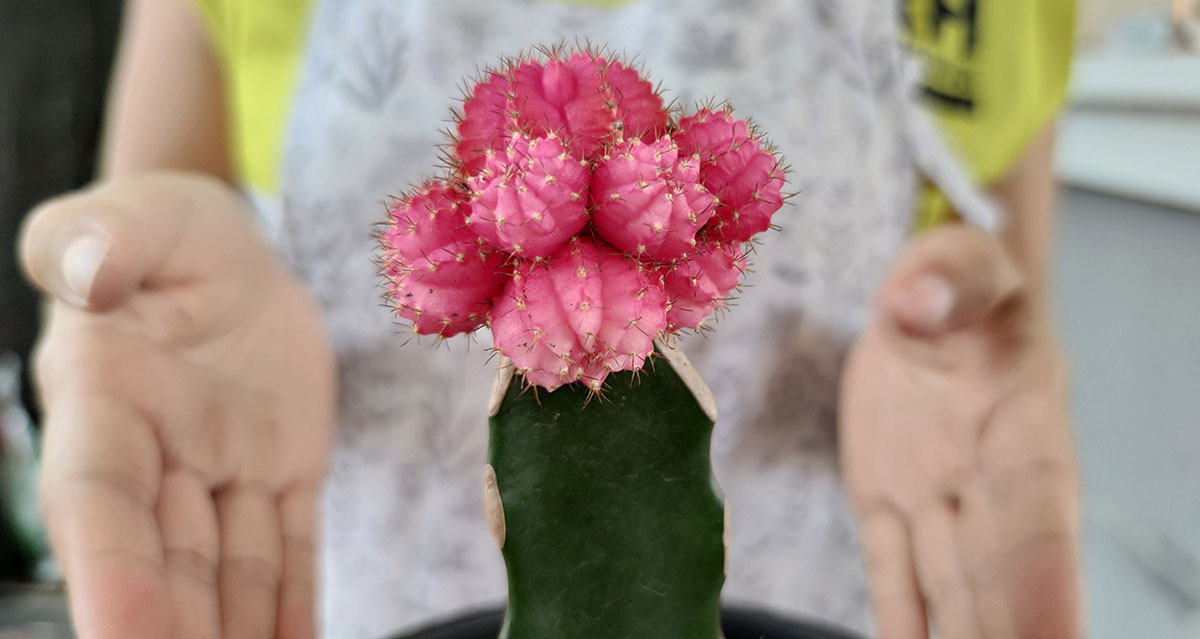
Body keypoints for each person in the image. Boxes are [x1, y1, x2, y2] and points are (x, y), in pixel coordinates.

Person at [17, 0, 1082, 637]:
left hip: (839, 598)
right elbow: (162, 197)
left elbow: (1003, 279)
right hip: (339, 592)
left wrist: (969, 322)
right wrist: (146, 276)